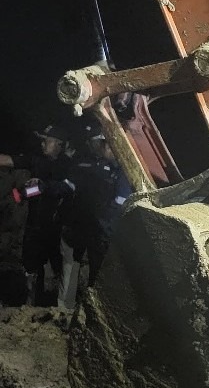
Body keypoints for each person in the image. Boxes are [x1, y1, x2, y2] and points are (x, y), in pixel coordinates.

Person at [51, 123, 132, 308]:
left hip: (103, 231)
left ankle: (94, 309)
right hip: (82, 226)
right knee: (71, 264)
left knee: (99, 271)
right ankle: (65, 308)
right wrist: (39, 189)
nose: (96, 146)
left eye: (99, 143)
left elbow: (120, 203)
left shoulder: (121, 169)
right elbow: (67, 186)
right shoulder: (83, 164)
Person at [0, 124, 72, 305]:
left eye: (47, 141)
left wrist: (35, 189)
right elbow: (9, 160)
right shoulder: (37, 160)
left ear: (59, 144)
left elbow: (64, 189)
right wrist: (24, 193)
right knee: (30, 266)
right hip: (35, 225)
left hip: (59, 229)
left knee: (58, 268)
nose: (42, 144)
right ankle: (29, 303)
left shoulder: (68, 166)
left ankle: (58, 305)